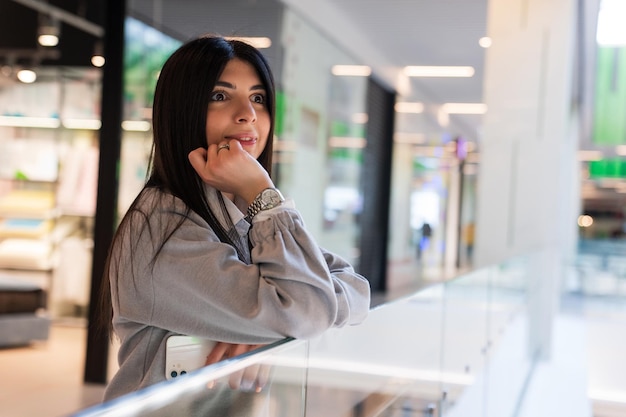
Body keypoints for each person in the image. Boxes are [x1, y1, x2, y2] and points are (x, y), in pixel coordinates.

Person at [99, 34, 371, 401]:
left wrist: (268, 325)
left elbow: (354, 287)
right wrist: (262, 194)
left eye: (258, 98)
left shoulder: (238, 212)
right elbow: (308, 307)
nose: (248, 114)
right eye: (220, 96)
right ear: (183, 109)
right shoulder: (162, 225)